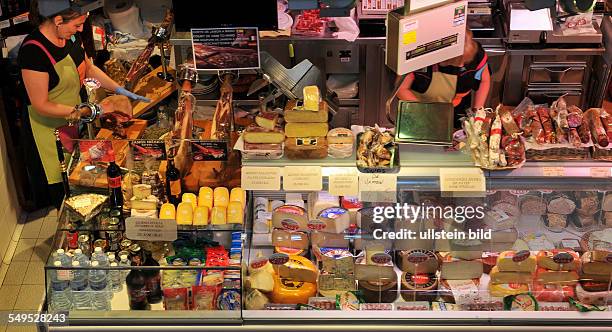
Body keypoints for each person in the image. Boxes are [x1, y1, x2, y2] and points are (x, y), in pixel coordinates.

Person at [18, 0, 149, 209]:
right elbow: (41, 104)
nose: (80, 30)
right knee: (64, 193)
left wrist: (121, 90)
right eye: (77, 25)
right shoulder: (33, 51)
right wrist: (94, 110)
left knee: (83, 182)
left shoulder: (68, 35)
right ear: (58, 20)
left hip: (74, 122)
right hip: (48, 134)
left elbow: (88, 67)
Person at [397, 29, 491, 127]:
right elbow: (401, 89)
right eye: (456, 61)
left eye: (465, 61)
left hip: (456, 109)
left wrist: (477, 112)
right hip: (417, 109)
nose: (461, 66)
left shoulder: (476, 54)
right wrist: (424, 112)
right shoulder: (418, 57)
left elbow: (484, 81)